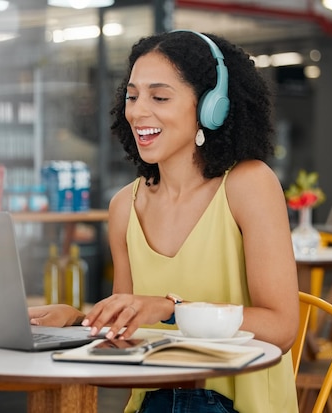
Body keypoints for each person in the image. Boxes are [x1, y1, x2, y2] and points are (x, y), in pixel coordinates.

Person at [29, 30, 299, 413]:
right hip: (151, 400)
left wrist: (170, 308)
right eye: (132, 96)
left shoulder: (248, 184)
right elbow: (131, 331)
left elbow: (281, 328)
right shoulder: (124, 206)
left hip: (233, 402)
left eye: (159, 97)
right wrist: (78, 322)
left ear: (212, 106)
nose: (139, 111)